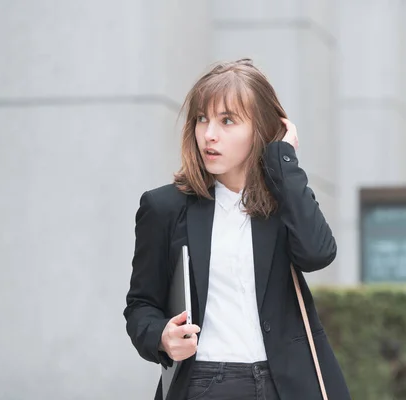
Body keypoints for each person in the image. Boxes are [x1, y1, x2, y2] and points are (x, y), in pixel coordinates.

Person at [124, 59, 351, 400]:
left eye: (227, 120)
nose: (209, 134)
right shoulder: (165, 208)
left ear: (259, 129)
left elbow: (318, 253)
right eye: (202, 119)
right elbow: (140, 305)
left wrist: (284, 160)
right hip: (206, 383)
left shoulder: (282, 201)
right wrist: (161, 336)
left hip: (285, 384)